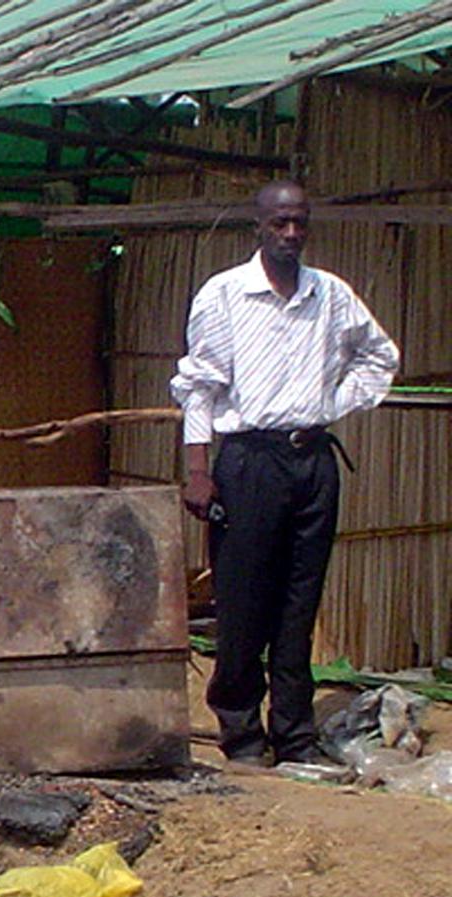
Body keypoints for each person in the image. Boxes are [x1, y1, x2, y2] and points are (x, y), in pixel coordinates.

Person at [170, 180, 400, 765]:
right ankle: (242, 733)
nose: (291, 233)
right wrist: (198, 468)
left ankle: (295, 735)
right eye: (280, 224)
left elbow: (381, 356)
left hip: (313, 462)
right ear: (259, 227)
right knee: (244, 599)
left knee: (300, 601)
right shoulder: (224, 295)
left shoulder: (332, 295)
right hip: (249, 462)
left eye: (299, 223)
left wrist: (331, 403)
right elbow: (199, 386)